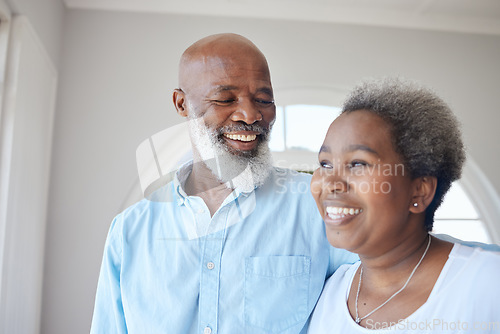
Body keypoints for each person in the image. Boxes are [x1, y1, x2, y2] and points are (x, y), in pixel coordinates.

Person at [90, 33, 358, 334]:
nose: (250, 114)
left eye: (263, 100)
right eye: (225, 99)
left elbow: (382, 294)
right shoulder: (129, 232)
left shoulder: (317, 207)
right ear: (182, 104)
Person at [308, 77, 500, 333]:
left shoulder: (487, 283)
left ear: (419, 191)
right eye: (325, 164)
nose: (331, 183)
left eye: (358, 164)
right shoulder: (330, 294)